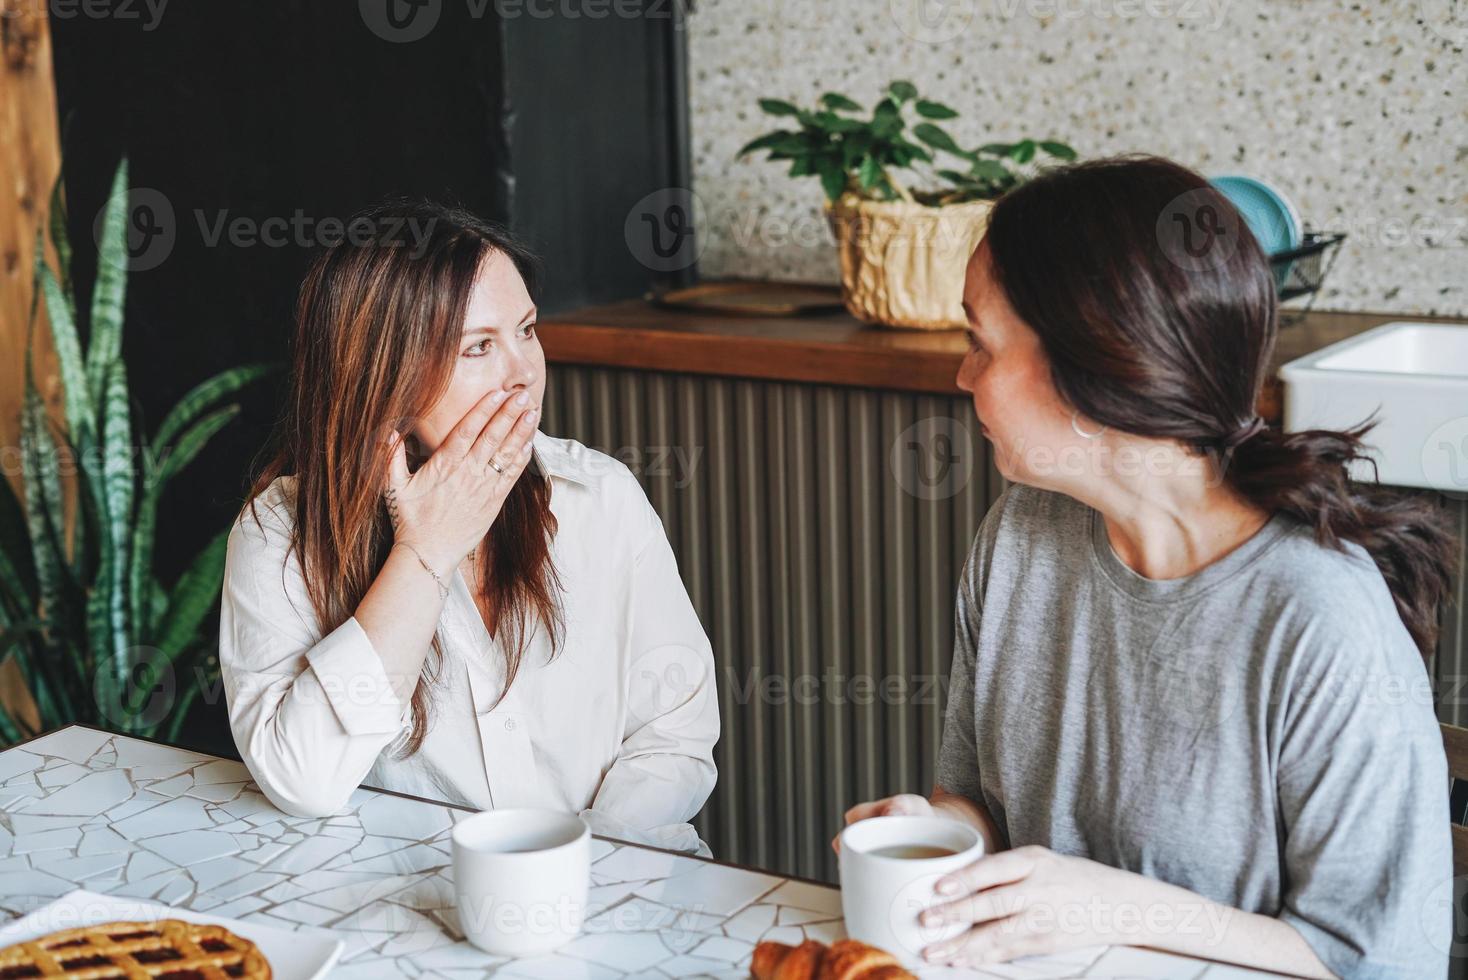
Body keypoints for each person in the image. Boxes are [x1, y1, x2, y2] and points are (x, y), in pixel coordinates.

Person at [838, 156, 1454, 977]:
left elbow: (1381, 960)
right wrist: (936, 828)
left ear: (1095, 372)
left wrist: (1106, 903)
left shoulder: (1319, 616)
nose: (963, 375)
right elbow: (980, 806)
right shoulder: (1021, 534)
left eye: (979, 344)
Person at [219, 202, 720, 855]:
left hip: (619, 886)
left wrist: (574, 868)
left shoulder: (600, 497)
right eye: (480, 346)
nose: (524, 371)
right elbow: (303, 779)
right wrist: (422, 555)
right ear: (383, 375)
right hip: (408, 913)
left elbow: (674, 735)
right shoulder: (280, 532)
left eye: (528, 330)